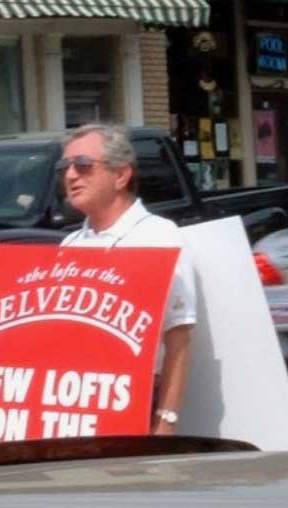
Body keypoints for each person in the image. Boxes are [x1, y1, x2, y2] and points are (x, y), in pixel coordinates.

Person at [58, 123, 197, 436]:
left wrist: (165, 422)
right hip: (73, 409)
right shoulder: (69, 246)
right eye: (65, 167)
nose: (70, 176)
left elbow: (180, 338)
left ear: (121, 175)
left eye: (82, 166)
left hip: (135, 404)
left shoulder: (159, 238)